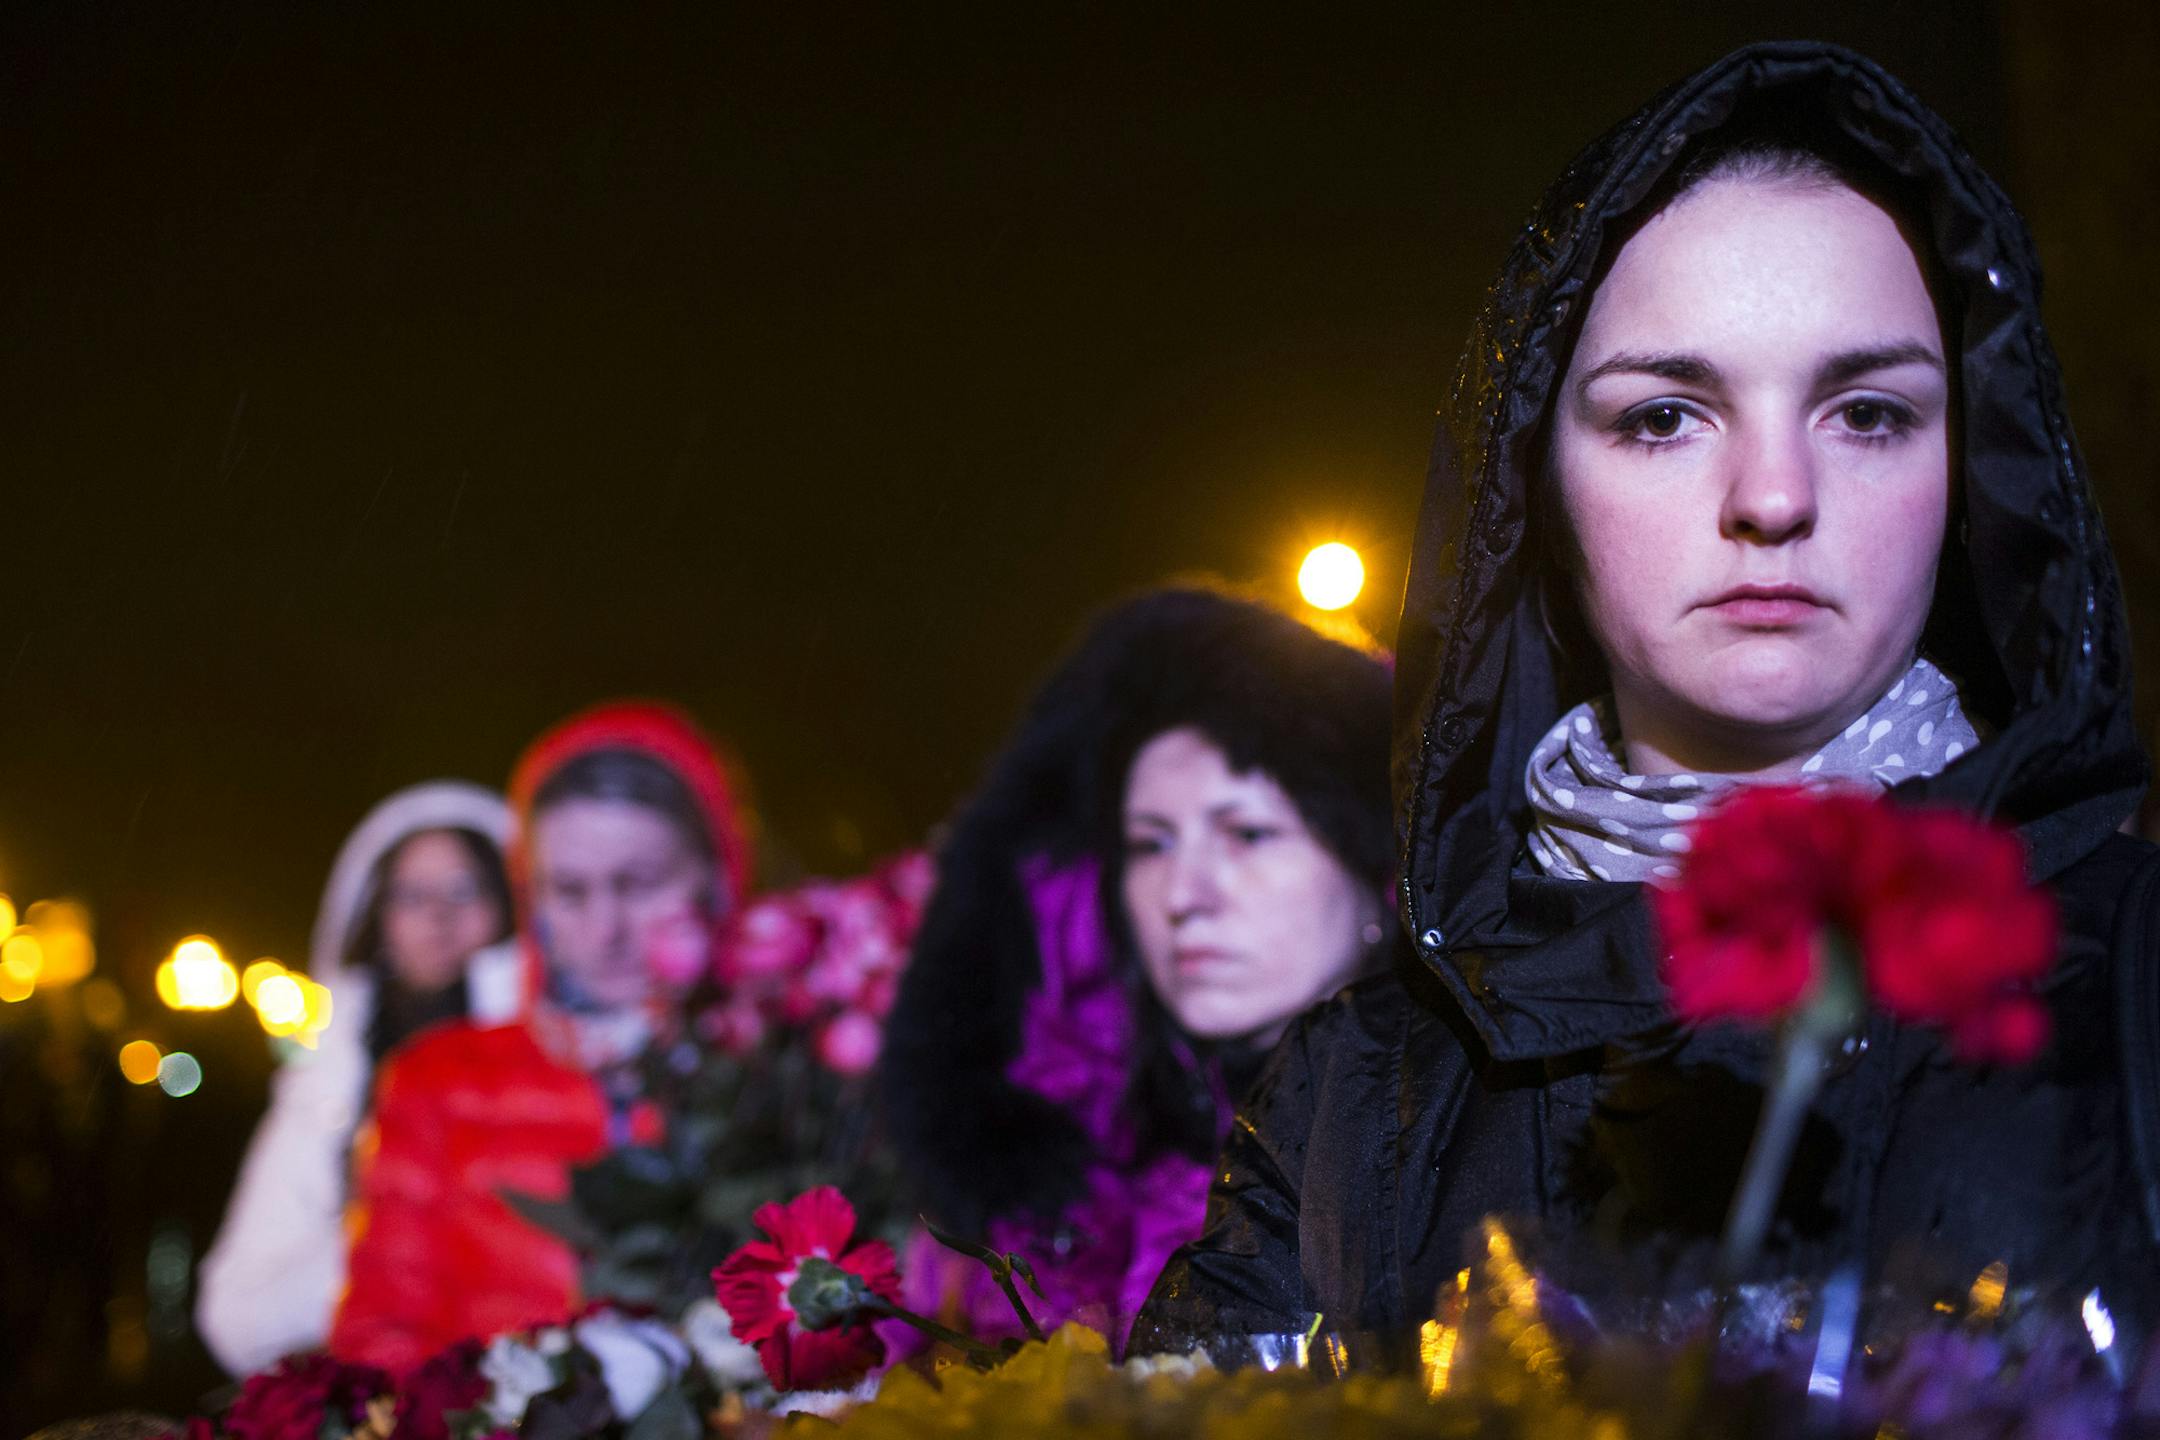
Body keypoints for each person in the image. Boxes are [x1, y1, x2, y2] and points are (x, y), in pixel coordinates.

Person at [1135, 42, 2160, 1354]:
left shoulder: (2137, 983)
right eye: (1666, 416)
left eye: (1868, 412)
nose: (1775, 496)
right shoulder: (1354, 1092)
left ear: (1974, 467)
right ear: (1534, 489)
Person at [878, 587, 1400, 1354]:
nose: (1185, 895)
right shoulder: (1035, 1196)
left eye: (1249, 834)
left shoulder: (1469, 1162)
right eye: (1150, 845)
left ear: (1378, 875)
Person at [328, 703, 751, 1374]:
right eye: (569, 890)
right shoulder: (441, 1080)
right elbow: (382, 1341)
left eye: (637, 884)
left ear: (718, 875)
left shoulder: (790, 1084)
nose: (605, 928)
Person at [196, 782, 515, 1376]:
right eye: (412, 894)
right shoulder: (336, 1074)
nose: (438, 916)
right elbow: (235, 1313)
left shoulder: (556, 1057)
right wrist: (390, 1253)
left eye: (464, 890)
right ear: (378, 913)